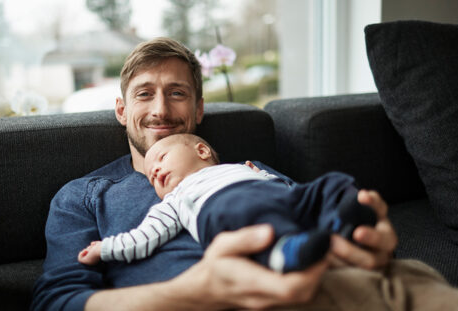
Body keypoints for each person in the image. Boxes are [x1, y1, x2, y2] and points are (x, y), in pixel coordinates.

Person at [31, 37, 398, 311]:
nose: (161, 109)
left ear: (199, 109)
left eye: (177, 93)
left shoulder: (247, 172)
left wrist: (366, 240)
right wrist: (196, 291)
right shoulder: (84, 196)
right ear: (122, 111)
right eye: (144, 94)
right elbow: (58, 302)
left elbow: (318, 216)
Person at [78, 133, 377, 273]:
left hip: (277, 197)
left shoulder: (242, 167)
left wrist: (261, 176)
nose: (154, 171)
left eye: (162, 158)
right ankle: (284, 253)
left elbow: (282, 187)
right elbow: (143, 238)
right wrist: (104, 248)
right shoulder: (175, 200)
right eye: (151, 176)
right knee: (254, 227)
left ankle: (340, 219)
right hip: (224, 211)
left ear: (202, 150)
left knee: (332, 182)